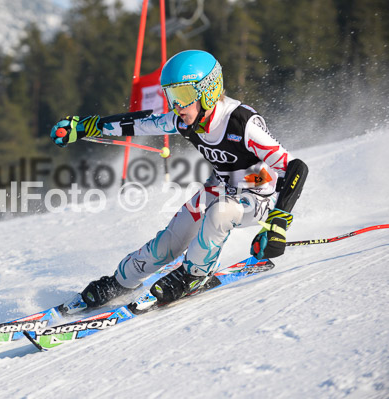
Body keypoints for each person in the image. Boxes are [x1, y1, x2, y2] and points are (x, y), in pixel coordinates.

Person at [49, 50, 308, 308]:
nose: (177, 106)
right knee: (169, 242)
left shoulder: (242, 123)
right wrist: (87, 126)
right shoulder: (185, 120)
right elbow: (139, 123)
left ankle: (195, 274)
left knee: (220, 213)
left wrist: (278, 223)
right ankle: (121, 281)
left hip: (257, 195)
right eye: (171, 96)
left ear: (208, 91)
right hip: (220, 188)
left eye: (183, 95)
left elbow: (295, 167)